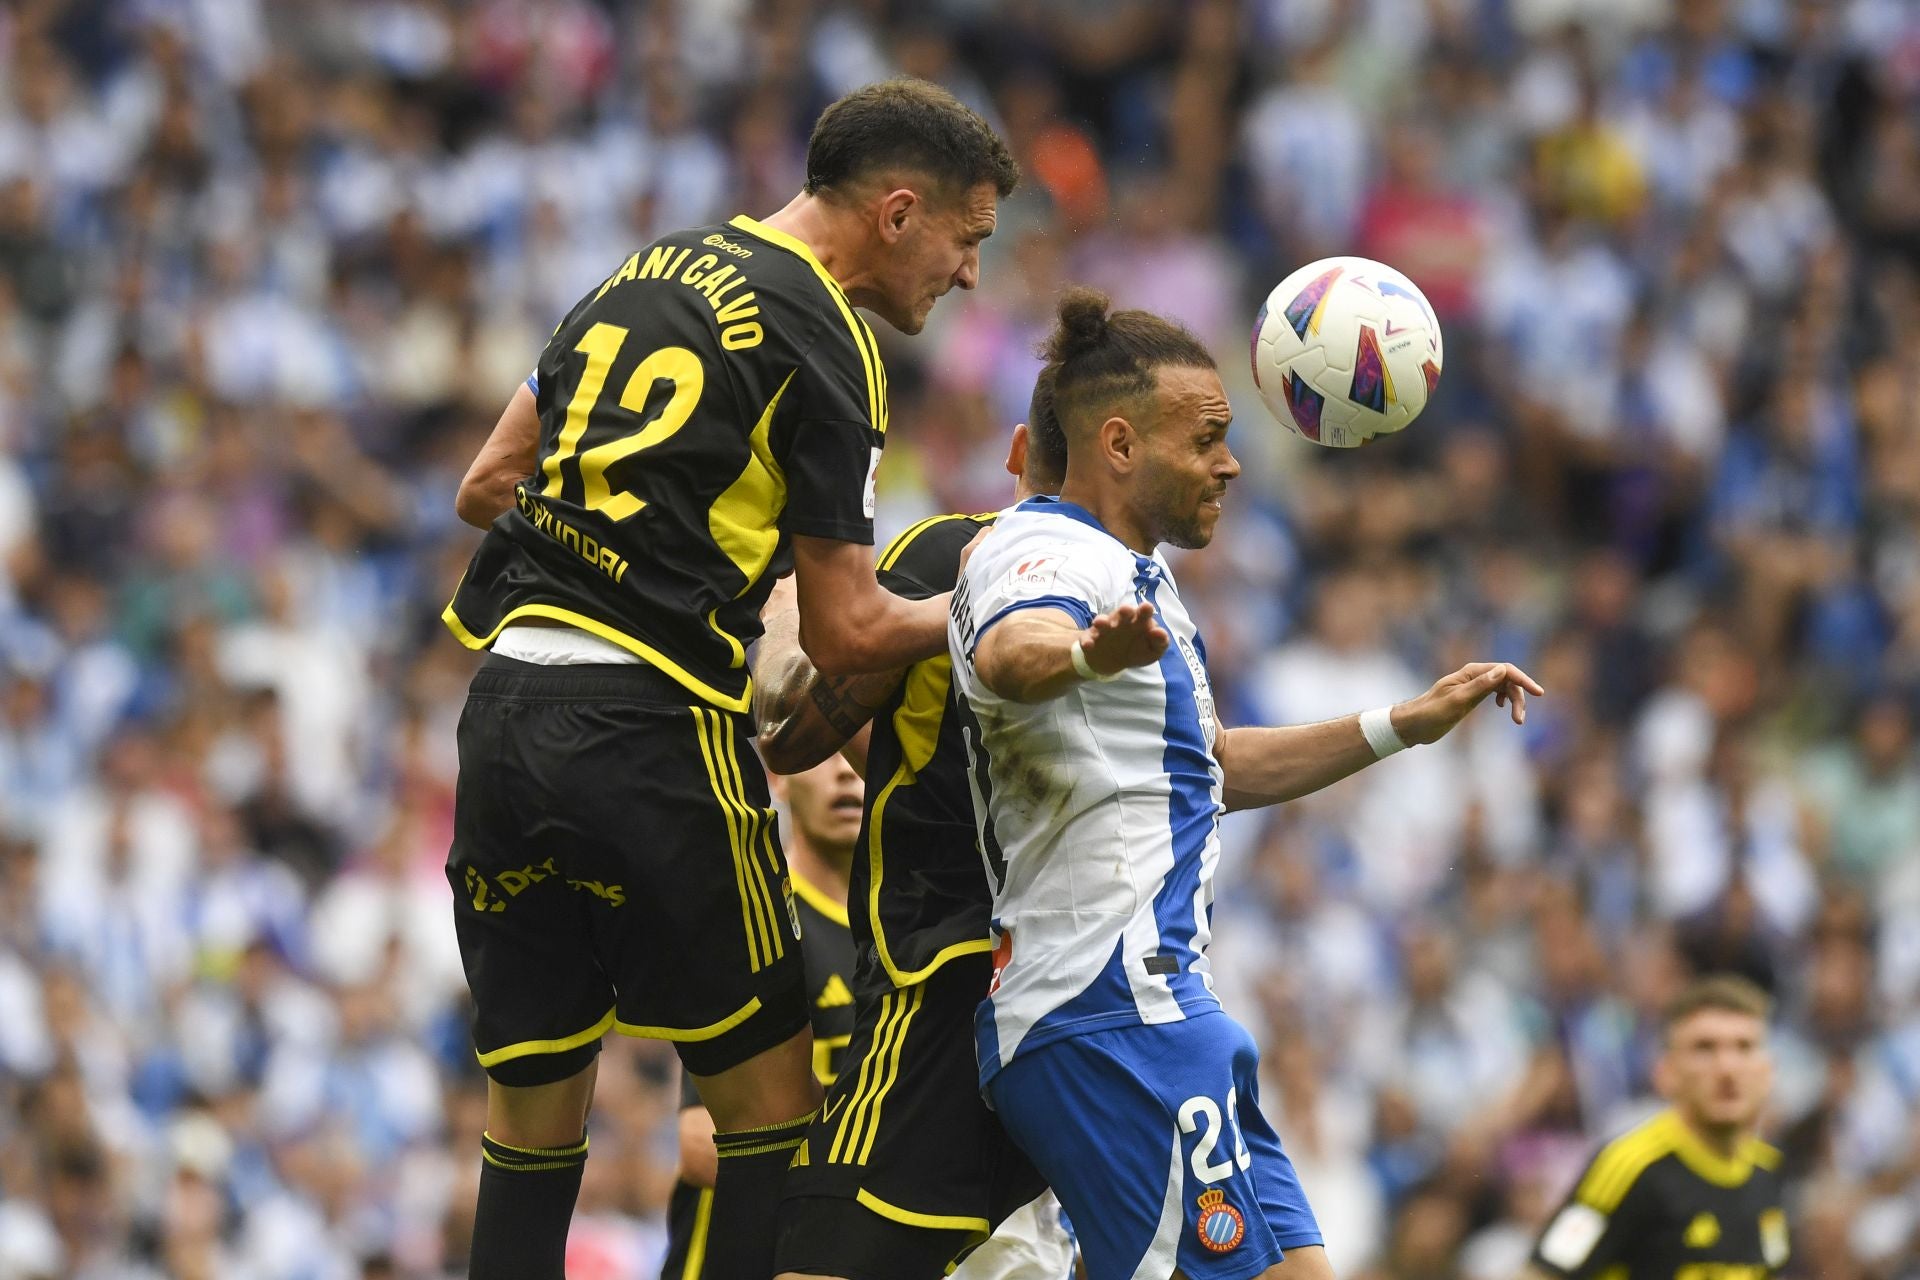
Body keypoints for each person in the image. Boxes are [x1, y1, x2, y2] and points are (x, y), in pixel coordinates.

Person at [441, 78, 1017, 1280]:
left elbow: (489, 484)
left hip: (499, 711)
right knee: (778, 1101)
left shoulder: (642, 272)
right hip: (647, 726)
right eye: (969, 241)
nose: (968, 276)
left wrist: (692, 568)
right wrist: (989, 599)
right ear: (899, 212)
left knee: (533, 1111)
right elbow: (855, 632)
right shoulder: (830, 333)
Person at [948, 287, 1544, 1280]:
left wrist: (1405, 722)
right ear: (1121, 443)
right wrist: (1088, 656)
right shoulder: (1045, 546)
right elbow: (1016, 648)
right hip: (1109, 1012)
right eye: (1209, 436)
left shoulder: (1137, 580)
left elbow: (1214, 767)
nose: (1231, 460)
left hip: (1162, 1008)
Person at [751, 370, 1077, 1280]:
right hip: (1057, 998)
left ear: (1018, 451)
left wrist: (782, 619)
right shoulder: (1151, 609)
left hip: (967, 981)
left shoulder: (969, 561)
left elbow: (789, 727)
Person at [661, 755, 862, 1280]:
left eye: (861, 750)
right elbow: (701, 1143)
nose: (846, 771)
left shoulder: (912, 931)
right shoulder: (756, 922)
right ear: (779, 775)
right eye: (825, 752)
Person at [1525, 975, 1790, 1280]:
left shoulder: (1768, 1170)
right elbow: (1541, 1274)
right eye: (1704, 1048)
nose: (1727, 1068)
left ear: (1768, 1071)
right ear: (1666, 1074)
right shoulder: (1631, 1165)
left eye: (1744, 1047)